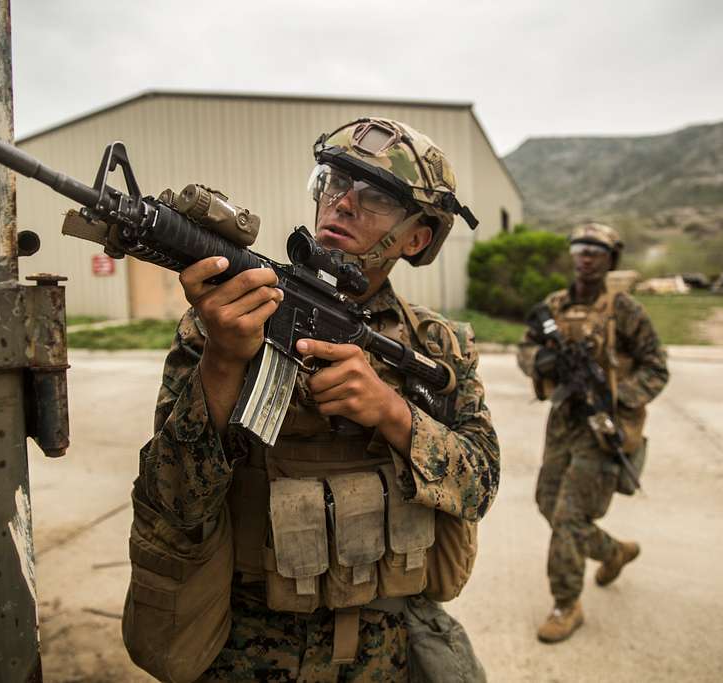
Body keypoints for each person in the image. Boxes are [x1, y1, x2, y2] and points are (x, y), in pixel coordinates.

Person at [125, 117, 500, 681]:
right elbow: (172, 501)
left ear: (416, 237)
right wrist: (223, 361)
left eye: (373, 197)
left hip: (383, 650)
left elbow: (480, 486)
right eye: (331, 182)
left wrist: (393, 414)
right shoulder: (226, 320)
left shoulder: (436, 346)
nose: (341, 203)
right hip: (244, 650)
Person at [517, 222, 668, 644]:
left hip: (602, 428)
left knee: (568, 517)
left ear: (610, 259)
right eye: (580, 248)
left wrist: (617, 400)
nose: (586, 256)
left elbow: (657, 367)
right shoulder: (554, 305)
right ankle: (613, 550)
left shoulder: (626, 311)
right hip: (563, 421)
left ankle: (566, 605)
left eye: (596, 250)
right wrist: (541, 364)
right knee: (547, 502)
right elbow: (526, 348)